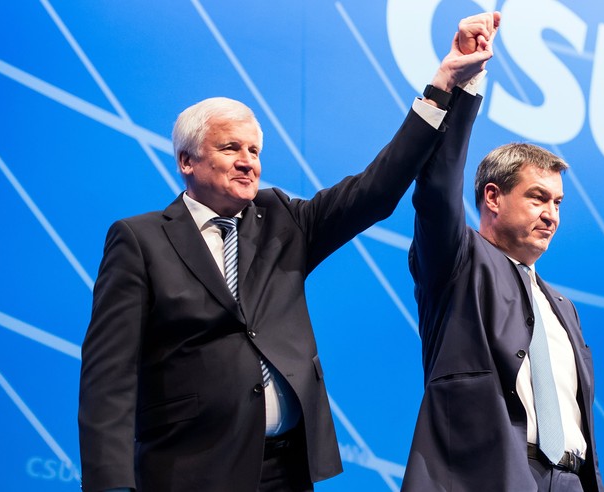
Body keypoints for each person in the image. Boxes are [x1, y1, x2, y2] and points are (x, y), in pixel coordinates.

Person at [77, 12, 499, 492]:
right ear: (187, 161)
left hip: (286, 470)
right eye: (231, 147)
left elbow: (375, 191)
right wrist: (110, 485)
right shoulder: (140, 239)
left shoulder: (282, 220)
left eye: (255, 151)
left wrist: (443, 83)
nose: (248, 162)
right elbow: (107, 373)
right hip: (187, 471)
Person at [403, 138, 604, 491]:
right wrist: (456, 93)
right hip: (490, 475)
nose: (551, 215)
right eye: (538, 198)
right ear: (493, 197)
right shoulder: (459, 263)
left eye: (558, 203)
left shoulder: (563, 307)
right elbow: (436, 192)